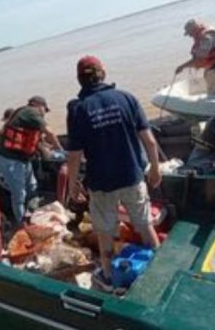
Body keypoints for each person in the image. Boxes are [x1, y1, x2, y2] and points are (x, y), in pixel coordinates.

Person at [66, 55, 162, 292]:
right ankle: (161, 271)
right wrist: (156, 168)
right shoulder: (126, 98)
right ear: (103, 73)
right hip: (132, 176)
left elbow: (74, 155)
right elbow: (149, 141)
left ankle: (109, 277)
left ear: (79, 80)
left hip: (101, 184)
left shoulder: (79, 109)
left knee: (105, 232)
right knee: (144, 223)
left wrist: (72, 184)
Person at [0, 96, 63, 224]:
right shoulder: (30, 112)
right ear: (37, 105)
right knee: (19, 194)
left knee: (32, 186)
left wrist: (47, 151)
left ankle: (33, 213)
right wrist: (60, 150)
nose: (44, 113)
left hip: (22, 159)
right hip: (9, 159)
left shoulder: (29, 120)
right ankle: (22, 224)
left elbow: (35, 141)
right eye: (45, 110)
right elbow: (50, 132)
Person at [175, 19, 215, 95]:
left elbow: (200, 59)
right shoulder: (207, 32)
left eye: (190, 33)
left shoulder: (206, 38)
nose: (190, 36)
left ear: (195, 29)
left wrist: (182, 67)